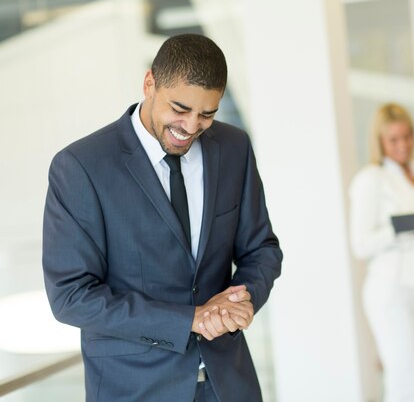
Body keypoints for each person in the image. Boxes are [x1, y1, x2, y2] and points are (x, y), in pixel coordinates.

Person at [42, 34, 282, 402]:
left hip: (229, 385)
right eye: (180, 109)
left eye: (207, 114)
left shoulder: (234, 147)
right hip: (135, 389)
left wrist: (242, 297)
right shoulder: (81, 167)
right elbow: (71, 296)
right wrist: (189, 319)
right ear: (149, 83)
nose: (190, 127)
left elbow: (261, 249)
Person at [349, 103, 414, 402]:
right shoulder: (370, 180)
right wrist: (406, 228)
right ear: (380, 142)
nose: (403, 145)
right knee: (402, 378)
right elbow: (361, 244)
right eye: (394, 140)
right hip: (391, 289)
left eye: (407, 136)